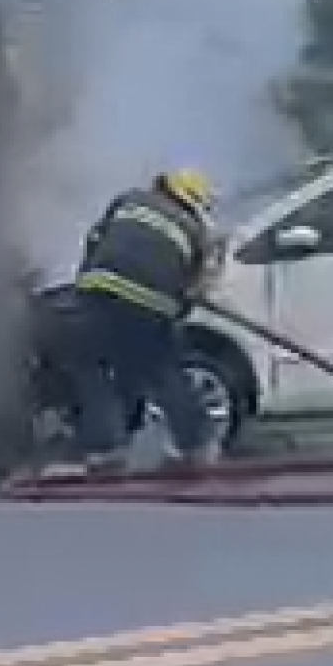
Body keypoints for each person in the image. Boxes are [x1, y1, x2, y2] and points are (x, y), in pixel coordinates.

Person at [63, 169, 224, 475]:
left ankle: (105, 449)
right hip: (152, 304)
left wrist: (83, 284)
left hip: (100, 290)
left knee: (91, 367)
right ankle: (197, 446)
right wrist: (175, 314)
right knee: (162, 370)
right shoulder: (197, 231)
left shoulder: (129, 201)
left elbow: (95, 240)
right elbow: (196, 287)